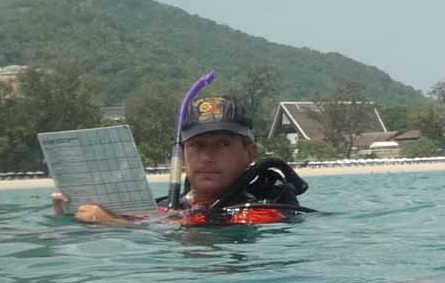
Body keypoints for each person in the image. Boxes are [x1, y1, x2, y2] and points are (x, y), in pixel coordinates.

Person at [53, 95, 308, 226]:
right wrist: (70, 217)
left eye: (223, 144)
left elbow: (210, 226)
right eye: (197, 146)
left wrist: (113, 223)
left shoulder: (266, 209)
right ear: (182, 154)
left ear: (250, 154)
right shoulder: (165, 208)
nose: (208, 157)